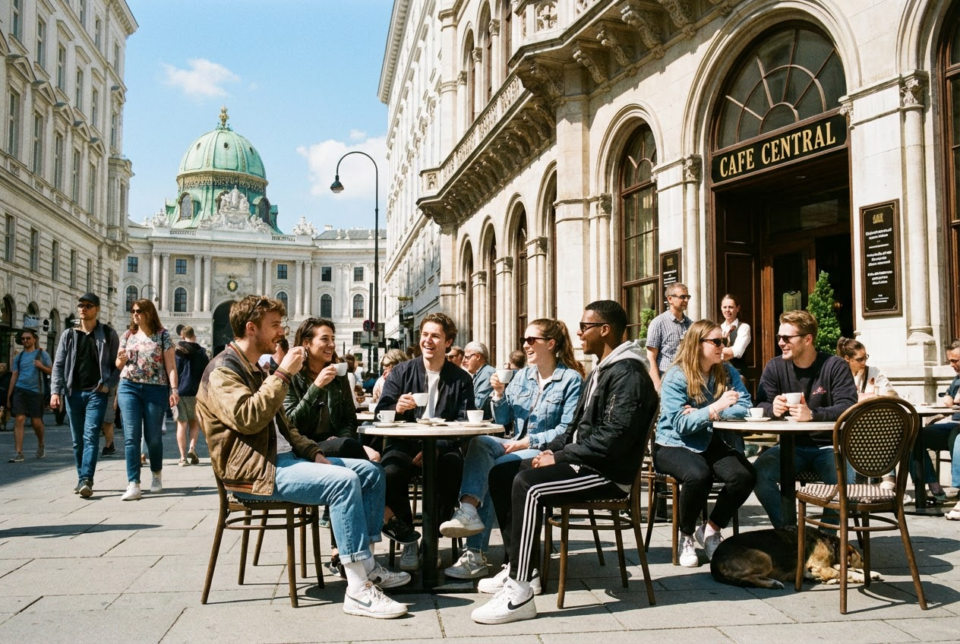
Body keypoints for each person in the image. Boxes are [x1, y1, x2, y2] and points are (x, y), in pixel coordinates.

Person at [195, 295, 409, 618]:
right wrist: (282, 374)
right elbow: (248, 418)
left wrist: (314, 452)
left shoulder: (255, 368)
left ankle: (366, 564)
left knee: (370, 472)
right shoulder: (223, 370)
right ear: (251, 328)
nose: (282, 332)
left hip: (285, 459)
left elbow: (286, 428)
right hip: (256, 471)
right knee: (344, 482)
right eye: (274, 325)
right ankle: (357, 589)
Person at [471, 300, 658, 625]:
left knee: (528, 485)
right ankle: (522, 568)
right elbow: (573, 429)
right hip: (586, 463)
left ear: (605, 330)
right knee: (503, 473)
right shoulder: (603, 369)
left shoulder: (628, 373)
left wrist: (558, 457)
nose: (579, 333)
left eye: (585, 326)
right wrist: (551, 452)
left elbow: (613, 439)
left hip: (607, 474)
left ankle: (519, 593)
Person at [439, 319, 584, 581]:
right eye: (524, 340)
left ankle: (475, 555)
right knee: (480, 443)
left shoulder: (570, 379)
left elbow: (566, 430)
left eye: (531, 340)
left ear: (551, 344)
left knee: (495, 470)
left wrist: (528, 442)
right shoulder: (521, 377)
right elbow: (503, 420)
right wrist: (498, 394)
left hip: (544, 450)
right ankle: (468, 510)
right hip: (514, 442)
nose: (526, 345)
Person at [375, 312, 475, 571]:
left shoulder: (461, 379)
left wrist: (440, 446)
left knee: (453, 468)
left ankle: (433, 537)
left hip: (444, 445)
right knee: (389, 472)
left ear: (448, 342)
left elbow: (465, 421)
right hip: (405, 444)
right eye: (425, 335)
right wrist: (397, 407)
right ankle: (409, 538)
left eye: (435, 336)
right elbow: (381, 412)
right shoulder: (401, 371)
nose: (428, 341)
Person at [654, 320, 755, 567]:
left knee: (745, 476)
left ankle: (710, 530)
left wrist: (711, 412)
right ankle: (686, 535)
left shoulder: (727, 372)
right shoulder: (676, 375)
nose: (723, 346)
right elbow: (681, 424)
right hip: (673, 443)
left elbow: (746, 406)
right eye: (716, 342)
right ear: (697, 345)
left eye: (724, 341)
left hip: (709, 439)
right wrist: (715, 407)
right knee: (698, 475)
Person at [752, 310, 858, 528]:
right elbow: (759, 404)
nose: (781, 343)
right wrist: (773, 409)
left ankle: (824, 538)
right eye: (779, 337)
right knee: (758, 473)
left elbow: (848, 406)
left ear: (808, 339)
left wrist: (813, 415)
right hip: (789, 446)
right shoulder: (775, 366)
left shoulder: (834, 365)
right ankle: (791, 533)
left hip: (830, 446)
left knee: (843, 482)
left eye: (787, 338)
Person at [48, 293, 120, 497]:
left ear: (97, 309)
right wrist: (55, 391)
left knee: (90, 435)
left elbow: (118, 365)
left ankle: (87, 478)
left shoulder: (108, 334)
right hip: (73, 393)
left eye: (88, 306)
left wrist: (108, 385)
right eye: (81, 305)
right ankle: (81, 479)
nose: (83, 309)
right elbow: (58, 365)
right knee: (77, 440)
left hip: (96, 393)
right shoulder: (69, 335)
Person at [284, 318, 372, 461]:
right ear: (306, 343)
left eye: (333, 339)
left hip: (337, 444)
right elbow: (291, 423)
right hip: (304, 448)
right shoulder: (291, 376)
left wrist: (340, 439)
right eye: (325, 339)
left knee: (372, 454)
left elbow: (349, 419)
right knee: (368, 456)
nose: (331, 344)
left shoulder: (338, 375)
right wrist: (316, 387)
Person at [116, 299, 179, 501]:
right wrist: (121, 359)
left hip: (155, 388)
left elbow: (171, 366)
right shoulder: (127, 335)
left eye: (139, 311)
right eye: (133, 310)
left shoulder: (162, 335)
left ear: (149, 313)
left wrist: (174, 389)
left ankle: (156, 474)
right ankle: (133, 483)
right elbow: (118, 364)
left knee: (153, 437)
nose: (135, 314)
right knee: (131, 436)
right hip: (128, 386)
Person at [918, 340, 960, 513]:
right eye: (950, 361)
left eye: (955, 360)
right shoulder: (957, 379)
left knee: (957, 438)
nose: (951, 365)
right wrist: (933, 415)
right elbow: (948, 402)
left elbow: (955, 400)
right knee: (915, 436)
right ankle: (932, 485)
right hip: (953, 424)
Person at [6, 329, 52, 462]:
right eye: (23, 339)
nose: (25, 340)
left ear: (34, 339)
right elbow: (14, 375)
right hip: (20, 390)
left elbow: (52, 370)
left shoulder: (42, 354)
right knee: (19, 418)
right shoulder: (19, 357)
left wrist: (41, 366)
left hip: (36, 392)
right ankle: (19, 453)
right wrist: (9, 395)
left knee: (36, 421)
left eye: (28, 338)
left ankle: (41, 444)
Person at [646, 283, 693, 391]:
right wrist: (657, 385)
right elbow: (651, 357)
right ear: (670, 299)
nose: (686, 300)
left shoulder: (690, 324)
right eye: (682, 297)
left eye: (688, 297)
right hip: (667, 379)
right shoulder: (658, 323)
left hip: (687, 379)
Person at [174, 326, 209, 467]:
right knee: (194, 423)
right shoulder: (201, 352)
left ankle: (183, 458)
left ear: (182, 336)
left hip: (180, 392)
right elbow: (206, 373)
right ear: (194, 336)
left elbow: (174, 371)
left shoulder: (177, 352)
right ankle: (192, 448)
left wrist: (172, 390)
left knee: (181, 424)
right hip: (196, 393)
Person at [464, 341, 496, 419]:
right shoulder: (480, 373)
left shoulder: (487, 373)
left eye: (467, 357)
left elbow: (478, 405)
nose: (464, 361)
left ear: (478, 356)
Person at [719, 294, 751, 374]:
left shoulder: (744, 327)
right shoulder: (718, 328)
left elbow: (737, 351)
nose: (727, 310)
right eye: (725, 307)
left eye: (731, 307)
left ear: (738, 308)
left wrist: (717, 352)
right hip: (720, 372)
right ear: (721, 308)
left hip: (738, 373)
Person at [0, 363, 12, 431]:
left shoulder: (9, 376)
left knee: (5, 412)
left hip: (5, 396)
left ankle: (4, 424)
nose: (1, 368)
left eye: (3, 366)